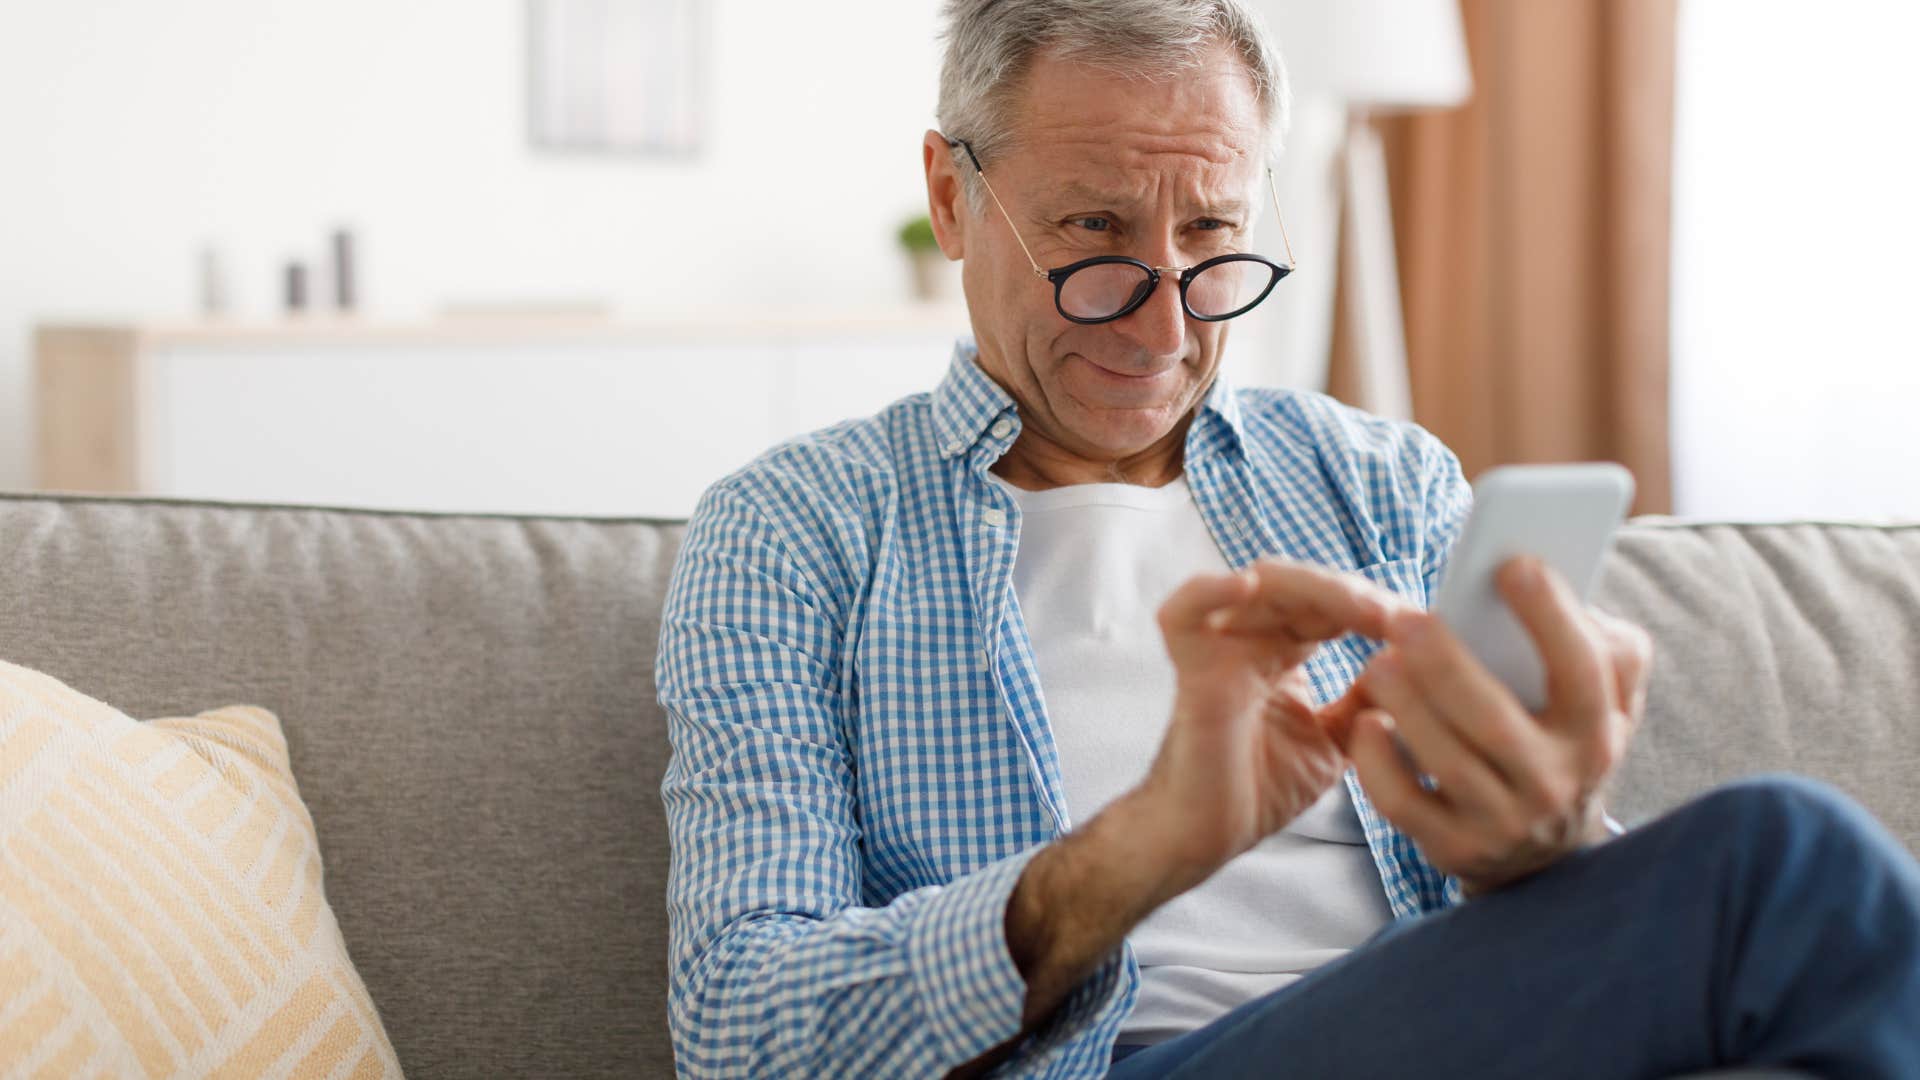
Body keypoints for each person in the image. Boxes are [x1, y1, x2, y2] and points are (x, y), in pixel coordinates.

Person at [653, 1, 1920, 1076]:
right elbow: (739, 1027)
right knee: (1788, 859)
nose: (1161, 333)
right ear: (952, 194)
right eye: (1093, 237)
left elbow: (1551, 951)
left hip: (1437, 1020)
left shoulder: (1384, 480)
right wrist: (1147, 845)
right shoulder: (795, 530)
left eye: (1210, 239)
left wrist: (1554, 842)